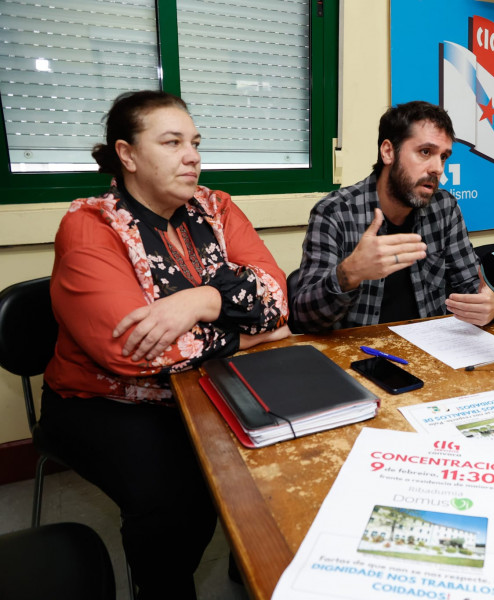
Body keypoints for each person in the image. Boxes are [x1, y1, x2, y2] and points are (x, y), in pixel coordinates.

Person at [39, 90, 290, 599]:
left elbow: (276, 294)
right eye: (172, 142)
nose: (192, 155)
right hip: (105, 403)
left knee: (285, 448)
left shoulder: (216, 207)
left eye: (194, 142)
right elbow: (136, 352)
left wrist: (198, 301)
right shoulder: (90, 227)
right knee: (180, 498)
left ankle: (255, 565)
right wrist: (251, 332)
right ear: (127, 154)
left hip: (206, 383)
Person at [289, 100, 494, 333]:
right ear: (388, 151)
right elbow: (302, 318)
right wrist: (349, 274)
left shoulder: (444, 208)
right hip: (357, 357)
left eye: (443, 157)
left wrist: (493, 305)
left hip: (431, 352)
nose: (438, 168)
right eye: (425, 152)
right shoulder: (335, 212)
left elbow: (472, 288)